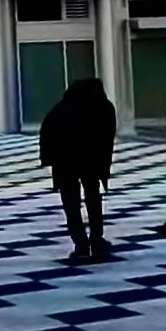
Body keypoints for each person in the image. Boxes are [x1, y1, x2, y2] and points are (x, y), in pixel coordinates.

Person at [40, 74, 118, 261]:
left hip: (65, 164)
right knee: (92, 198)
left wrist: (50, 161)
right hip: (90, 162)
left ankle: (81, 243)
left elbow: (47, 136)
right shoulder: (102, 108)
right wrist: (103, 164)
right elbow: (106, 139)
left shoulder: (60, 110)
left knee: (71, 205)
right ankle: (96, 239)